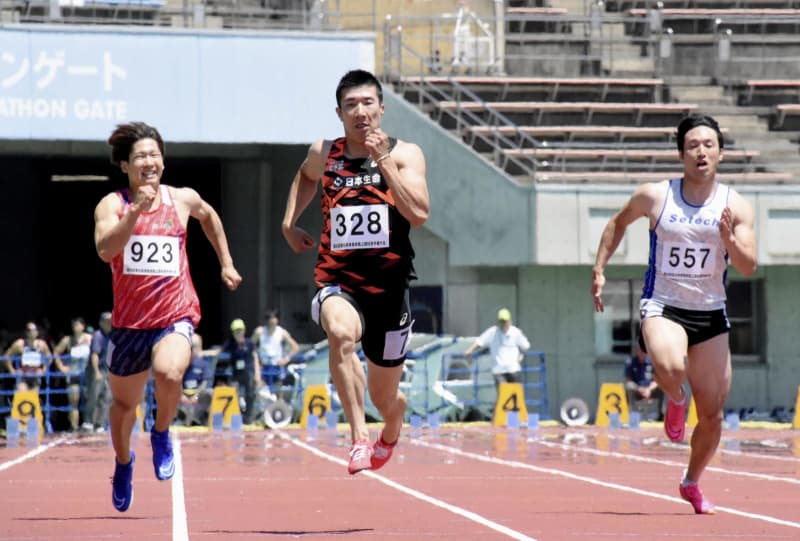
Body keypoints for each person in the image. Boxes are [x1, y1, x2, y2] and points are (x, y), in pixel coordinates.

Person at [591, 114, 757, 515]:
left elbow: (749, 265)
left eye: (708, 145)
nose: (701, 152)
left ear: (720, 152)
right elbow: (618, 223)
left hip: (711, 313)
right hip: (663, 305)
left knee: (714, 414)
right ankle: (675, 398)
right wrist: (599, 269)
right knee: (670, 365)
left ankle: (691, 481)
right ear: (681, 154)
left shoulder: (735, 205)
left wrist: (729, 240)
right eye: (692, 146)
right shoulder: (656, 196)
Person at [282, 69, 429, 474]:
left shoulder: (405, 154)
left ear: (381, 108)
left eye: (367, 103)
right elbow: (305, 176)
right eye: (351, 105)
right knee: (341, 334)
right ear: (339, 112)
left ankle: (391, 427)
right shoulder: (324, 153)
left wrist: (383, 162)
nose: (360, 112)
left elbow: (418, 214)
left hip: (389, 289)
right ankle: (359, 438)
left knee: (388, 400)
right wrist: (289, 222)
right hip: (338, 280)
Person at [94, 121, 241, 512]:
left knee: (170, 372)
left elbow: (209, 217)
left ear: (163, 160)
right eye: (140, 156)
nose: (149, 161)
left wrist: (225, 263)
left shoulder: (183, 199)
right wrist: (135, 212)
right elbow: (106, 250)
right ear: (125, 165)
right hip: (128, 326)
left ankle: (161, 432)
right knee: (123, 409)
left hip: (175, 314)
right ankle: (124, 463)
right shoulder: (112, 205)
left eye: (155, 154)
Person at [463, 308, 531, 389]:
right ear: (498, 322)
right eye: (501, 321)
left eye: (505, 321)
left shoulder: (516, 332)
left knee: (515, 396)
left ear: (510, 321)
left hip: (514, 369)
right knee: (503, 396)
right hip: (499, 370)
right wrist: (469, 350)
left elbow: (526, 346)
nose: (503, 324)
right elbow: (480, 341)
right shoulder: (492, 332)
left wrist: (521, 356)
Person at [52, 317, 93, 431]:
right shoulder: (67, 340)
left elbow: (97, 352)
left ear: (83, 326)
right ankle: (74, 427)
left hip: (87, 374)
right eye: (74, 325)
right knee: (73, 401)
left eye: (78, 324)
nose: (76, 327)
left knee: (89, 400)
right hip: (73, 373)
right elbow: (56, 352)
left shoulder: (90, 338)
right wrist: (61, 367)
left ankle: (89, 425)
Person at [219, 318, 261, 424]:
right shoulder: (230, 344)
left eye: (240, 330)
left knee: (251, 394)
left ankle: (249, 418)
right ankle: (235, 416)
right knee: (233, 392)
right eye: (236, 331)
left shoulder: (249, 344)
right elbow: (218, 352)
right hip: (236, 373)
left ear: (244, 331)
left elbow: (255, 357)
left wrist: (257, 374)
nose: (238, 333)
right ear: (232, 332)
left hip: (248, 371)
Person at [251, 309, 300, 397]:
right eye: (270, 318)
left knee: (278, 394)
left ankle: (278, 409)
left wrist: (286, 359)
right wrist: (256, 359)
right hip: (263, 367)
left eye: (274, 318)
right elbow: (249, 347)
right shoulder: (260, 331)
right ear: (267, 320)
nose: (272, 321)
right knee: (260, 393)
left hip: (276, 367)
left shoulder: (281, 332)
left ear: (277, 320)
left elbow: (295, 347)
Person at [83, 312, 113, 432]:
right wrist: (96, 372)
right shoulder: (98, 336)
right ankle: (88, 421)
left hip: (108, 369)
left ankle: (100, 423)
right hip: (97, 369)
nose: (110, 324)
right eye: (107, 322)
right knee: (93, 395)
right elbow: (95, 354)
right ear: (101, 323)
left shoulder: (112, 336)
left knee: (107, 397)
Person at [177, 333, 214, 426]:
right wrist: (181, 395)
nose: (191, 350)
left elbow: (206, 381)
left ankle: (193, 419)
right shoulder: (180, 364)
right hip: (184, 395)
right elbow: (176, 381)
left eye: (193, 347)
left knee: (209, 392)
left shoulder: (203, 364)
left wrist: (196, 395)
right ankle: (183, 418)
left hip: (197, 394)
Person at [4, 321, 52, 393]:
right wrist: (12, 370)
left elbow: (50, 357)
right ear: (26, 332)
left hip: (36, 375)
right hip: (23, 374)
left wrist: (44, 369)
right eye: (30, 330)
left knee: (32, 399)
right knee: (23, 397)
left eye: (35, 330)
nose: (33, 332)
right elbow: (7, 356)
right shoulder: (20, 343)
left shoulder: (41, 344)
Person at [624, 342, 664, 420]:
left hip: (651, 388)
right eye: (639, 350)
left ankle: (661, 414)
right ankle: (632, 414)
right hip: (637, 388)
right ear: (636, 351)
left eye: (643, 350)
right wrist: (639, 388)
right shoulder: (631, 362)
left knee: (664, 387)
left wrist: (649, 389)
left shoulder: (653, 362)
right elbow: (628, 379)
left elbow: (658, 378)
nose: (641, 352)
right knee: (628, 386)